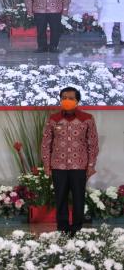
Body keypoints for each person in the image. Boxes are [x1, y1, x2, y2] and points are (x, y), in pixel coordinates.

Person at [41, 87, 99, 236]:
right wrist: (47, 165)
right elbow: (46, 143)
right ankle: (63, 227)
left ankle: (77, 228)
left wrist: (91, 165)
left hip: (79, 166)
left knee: (78, 198)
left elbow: (93, 144)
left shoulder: (87, 119)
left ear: (77, 101)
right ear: (60, 100)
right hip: (58, 166)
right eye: (64, 97)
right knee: (60, 197)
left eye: (71, 98)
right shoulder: (53, 119)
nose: (67, 100)